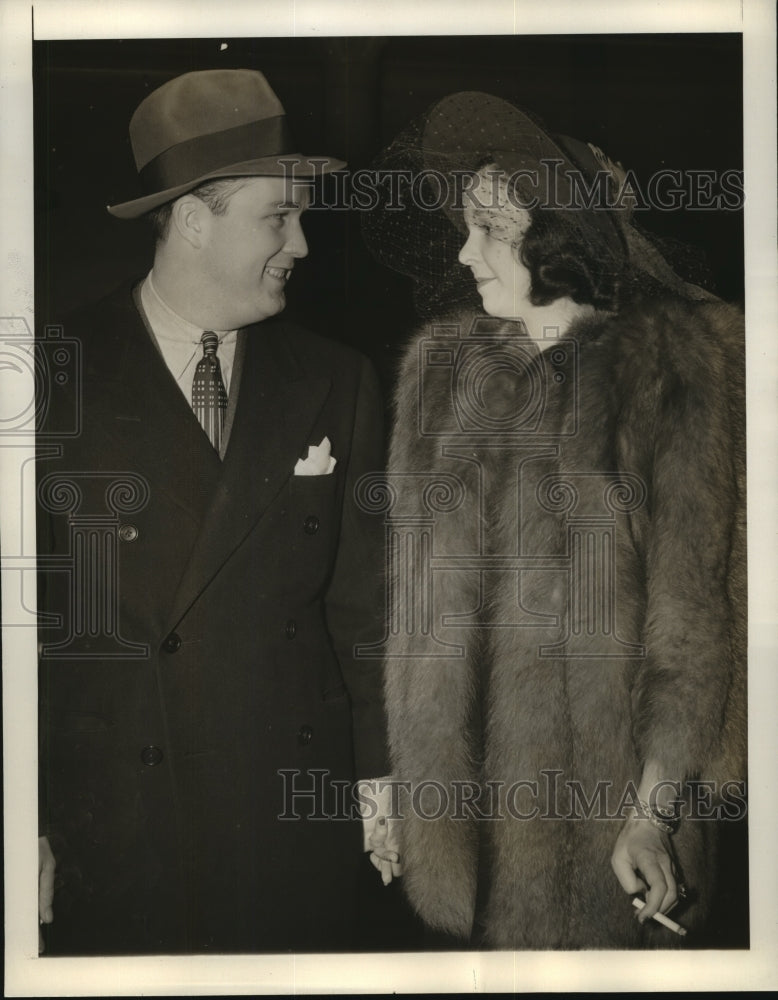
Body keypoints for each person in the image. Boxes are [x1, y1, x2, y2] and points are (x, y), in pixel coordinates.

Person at [361, 91, 746, 949]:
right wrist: (397, 791)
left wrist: (652, 816)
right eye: (467, 228)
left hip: (616, 817)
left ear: (557, 236)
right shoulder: (439, 378)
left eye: (491, 230)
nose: (465, 254)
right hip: (473, 824)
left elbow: (691, 620)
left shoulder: (666, 372)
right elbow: (416, 619)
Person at [36, 68, 397, 955]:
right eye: (279, 217)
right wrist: (24, 815)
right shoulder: (50, 374)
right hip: (117, 822)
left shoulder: (338, 379)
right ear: (195, 219)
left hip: (290, 817)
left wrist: (381, 777)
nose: (303, 244)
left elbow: (366, 611)